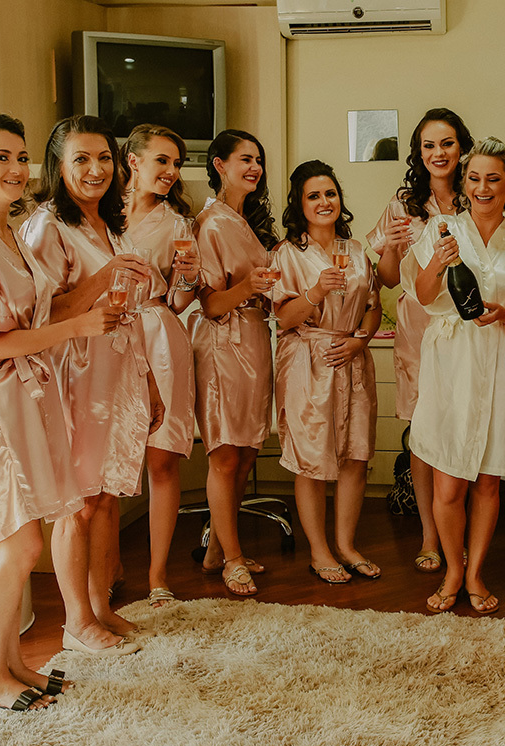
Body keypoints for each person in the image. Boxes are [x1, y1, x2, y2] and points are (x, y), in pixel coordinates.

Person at [0, 111, 120, 710]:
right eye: (1, 158)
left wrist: (88, 305)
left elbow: (42, 311)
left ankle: (12, 664)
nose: (16, 169)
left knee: (17, 541)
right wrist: (80, 329)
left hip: (22, 392)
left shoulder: (8, 233)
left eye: (20, 157)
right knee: (17, 544)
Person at [22, 115, 159, 653]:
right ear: (58, 167)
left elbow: (129, 314)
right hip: (73, 374)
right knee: (78, 503)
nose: (96, 169)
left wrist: (148, 382)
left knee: (105, 498)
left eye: (104, 157)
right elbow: (42, 315)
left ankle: (101, 607)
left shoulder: (111, 225)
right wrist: (104, 277)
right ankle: (76, 621)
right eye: (81, 159)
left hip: (117, 373)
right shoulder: (48, 227)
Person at [412, 137, 505, 615]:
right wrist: (439, 260)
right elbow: (423, 294)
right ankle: (453, 572)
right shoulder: (441, 229)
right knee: (448, 483)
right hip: (451, 360)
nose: (482, 187)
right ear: (464, 183)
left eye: (493, 179)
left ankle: (475, 572)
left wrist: (504, 314)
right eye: (474, 178)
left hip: (500, 358)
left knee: (488, 481)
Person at [369, 108, 474, 574]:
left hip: (469, 326)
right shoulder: (403, 205)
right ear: (418, 152)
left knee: (465, 425)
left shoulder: (478, 194)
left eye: (447, 143)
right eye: (429, 145)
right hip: (418, 328)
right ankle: (431, 535)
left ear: (461, 147)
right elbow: (388, 278)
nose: (438, 153)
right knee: (423, 431)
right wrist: (393, 246)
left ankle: (459, 530)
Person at [272, 160, 381, 584]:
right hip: (308, 359)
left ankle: (346, 545)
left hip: (352, 357)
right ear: (300, 204)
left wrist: (361, 340)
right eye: (313, 195)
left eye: (330, 193)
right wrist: (317, 291)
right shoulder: (287, 254)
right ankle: (319, 550)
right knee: (312, 459)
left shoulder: (355, 251)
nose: (324, 202)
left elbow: (372, 307)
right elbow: (283, 318)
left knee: (355, 455)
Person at [190, 129, 278, 597]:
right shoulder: (211, 223)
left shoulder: (245, 221)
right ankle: (233, 558)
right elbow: (209, 304)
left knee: (245, 453)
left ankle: (216, 550)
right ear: (219, 164)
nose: (255, 167)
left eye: (258, 160)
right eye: (245, 159)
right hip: (224, 344)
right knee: (225, 454)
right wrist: (249, 288)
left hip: (255, 340)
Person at [121, 124, 201, 608]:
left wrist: (188, 279)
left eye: (177, 164)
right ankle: (105, 566)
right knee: (107, 455)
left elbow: (179, 301)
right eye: (162, 161)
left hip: (159, 333)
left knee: (162, 456)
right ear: (133, 161)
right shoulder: (100, 214)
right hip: (106, 334)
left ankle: (157, 574)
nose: (172, 171)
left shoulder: (177, 224)